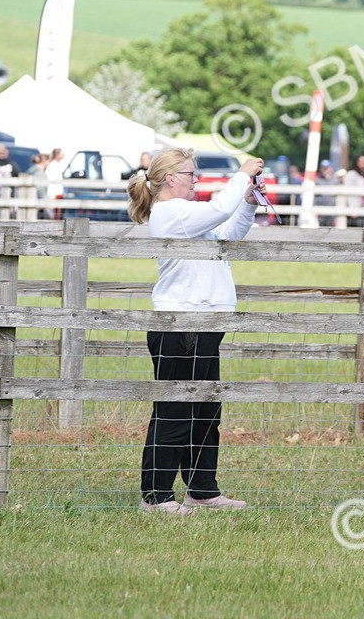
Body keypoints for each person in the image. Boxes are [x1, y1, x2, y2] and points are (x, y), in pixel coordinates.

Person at [127, 148, 264, 515]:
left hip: (205, 322)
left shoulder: (189, 215)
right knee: (174, 410)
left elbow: (226, 231)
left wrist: (248, 202)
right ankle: (155, 497)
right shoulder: (171, 212)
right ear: (170, 179)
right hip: (180, 322)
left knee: (204, 411)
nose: (195, 179)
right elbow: (218, 210)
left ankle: (202, 489)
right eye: (190, 174)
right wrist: (241, 174)